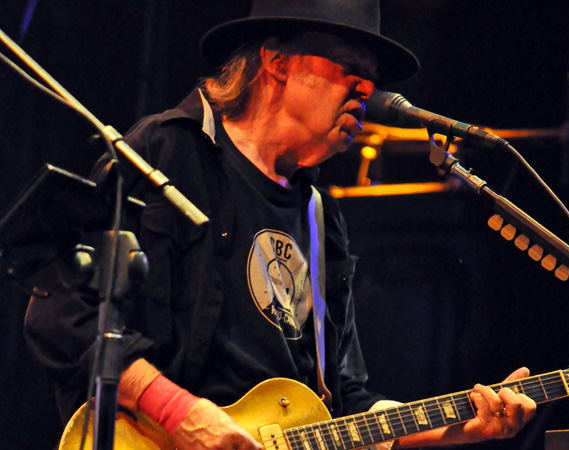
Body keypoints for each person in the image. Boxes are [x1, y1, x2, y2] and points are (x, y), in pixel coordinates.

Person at [24, 0, 536, 449]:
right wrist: (179, 412)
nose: (367, 89)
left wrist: (461, 427)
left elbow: (346, 402)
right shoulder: (165, 155)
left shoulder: (320, 216)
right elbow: (60, 313)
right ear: (276, 62)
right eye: (349, 67)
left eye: (371, 76)